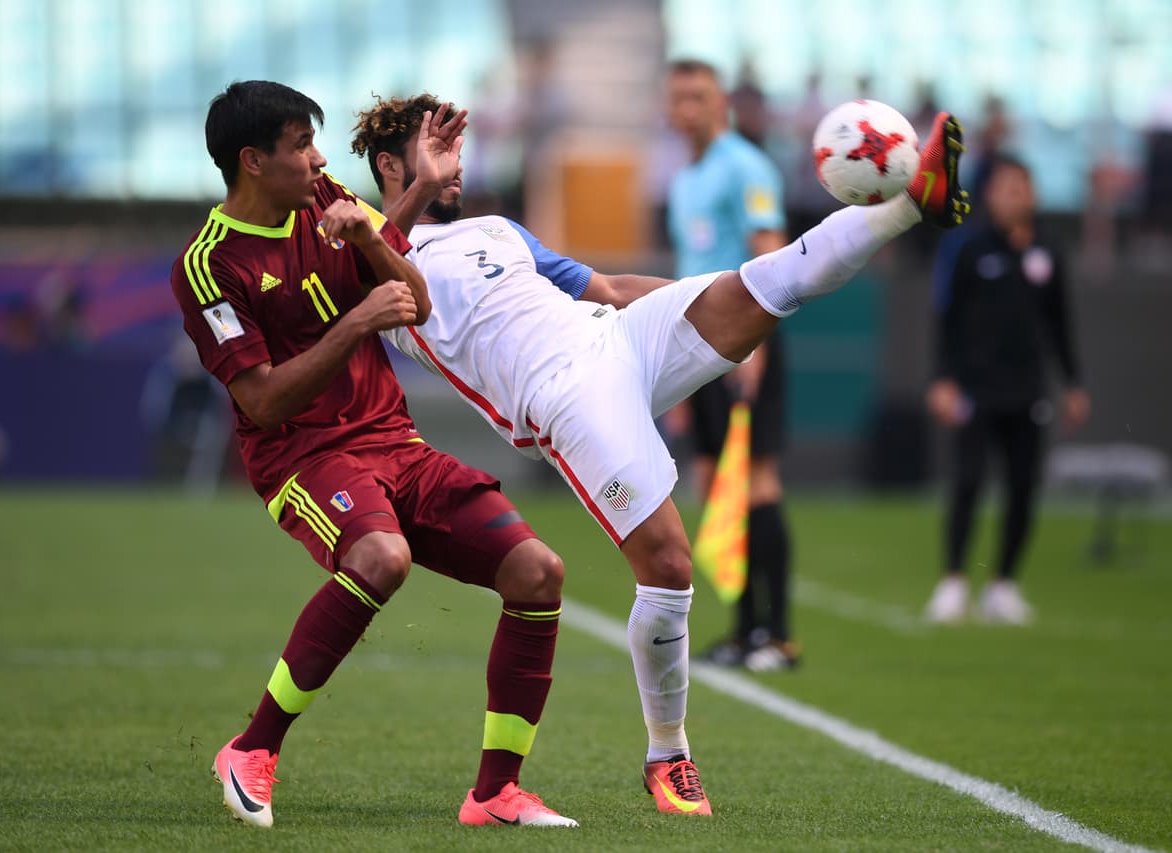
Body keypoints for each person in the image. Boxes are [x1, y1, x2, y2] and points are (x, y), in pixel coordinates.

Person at [351, 93, 969, 816]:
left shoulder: (497, 228)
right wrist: (421, 188)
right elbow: (366, 286)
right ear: (393, 165)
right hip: (563, 396)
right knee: (670, 566)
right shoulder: (368, 252)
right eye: (435, 148)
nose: (453, 161)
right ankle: (667, 751)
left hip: (618, 339)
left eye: (455, 146)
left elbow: (609, 289)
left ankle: (910, 207)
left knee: (773, 280)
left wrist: (715, 305)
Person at [169, 81, 578, 830]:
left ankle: (495, 792)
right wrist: (357, 318)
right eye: (301, 146)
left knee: (538, 570)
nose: (320, 160)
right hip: (303, 459)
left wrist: (377, 228)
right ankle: (252, 748)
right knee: (382, 557)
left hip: (394, 441)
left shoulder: (321, 198)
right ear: (253, 161)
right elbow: (262, 401)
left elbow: (413, 300)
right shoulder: (209, 266)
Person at [662, 59, 797, 672]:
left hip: (745, 345)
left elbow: (771, 261)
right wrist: (683, 380)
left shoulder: (745, 167)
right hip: (701, 351)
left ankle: (779, 634)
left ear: (722, 104)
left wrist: (758, 347)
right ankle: (745, 632)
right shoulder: (685, 178)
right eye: (679, 97)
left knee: (758, 481)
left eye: (699, 96)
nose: (688, 107)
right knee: (720, 491)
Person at [924, 154, 1089, 625]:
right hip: (976, 388)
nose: (1015, 194)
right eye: (1006, 186)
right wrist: (943, 379)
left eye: (1023, 186)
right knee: (969, 482)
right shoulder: (966, 246)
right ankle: (953, 581)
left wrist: (1073, 383)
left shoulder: (1048, 251)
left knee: (1023, 488)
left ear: (1034, 194)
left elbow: (1060, 323)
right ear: (990, 194)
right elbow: (945, 316)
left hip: (1029, 389)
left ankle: (1003, 585)